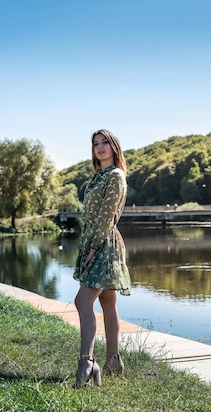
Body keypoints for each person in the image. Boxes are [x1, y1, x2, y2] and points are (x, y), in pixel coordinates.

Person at [72, 129, 131, 388]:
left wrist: (93, 248)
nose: (100, 147)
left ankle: (87, 362)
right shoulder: (99, 176)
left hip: (104, 245)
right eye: (95, 143)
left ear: (114, 146)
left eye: (105, 142)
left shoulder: (116, 176)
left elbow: (107, 217)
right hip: (96, 242)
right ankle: (113, 361)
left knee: (82, 301)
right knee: (107, 300)